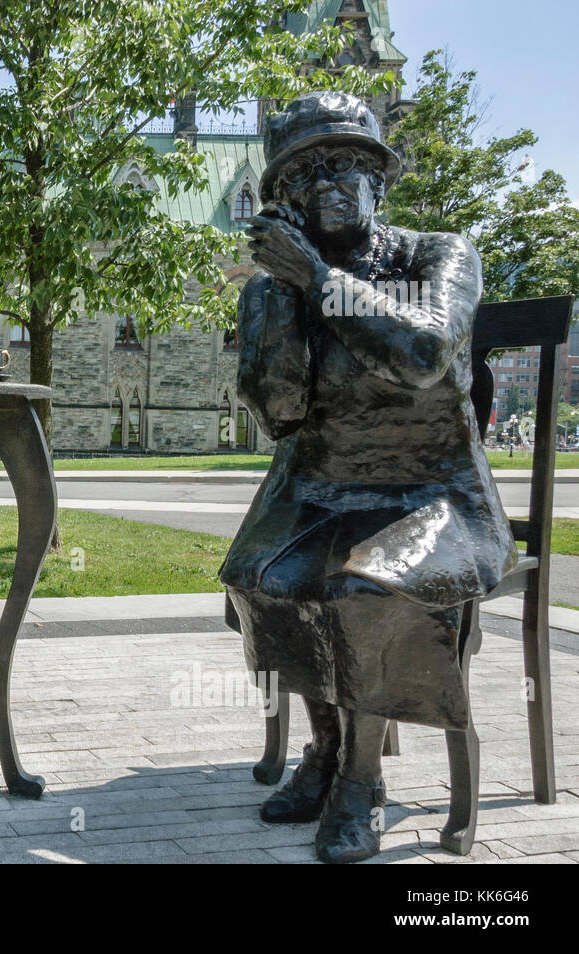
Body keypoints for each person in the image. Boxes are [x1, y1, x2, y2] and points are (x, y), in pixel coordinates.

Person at [219, 92, 515, 863]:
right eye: (307, 173)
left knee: (363, 588)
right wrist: (281, 298)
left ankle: (359, 783)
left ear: (380, 182)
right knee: (261, 577)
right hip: (320, 491)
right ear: (283, 203)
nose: (328, 182)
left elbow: (421, 354)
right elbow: (280, 411)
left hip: (435, 496)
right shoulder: (275, 286)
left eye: (348, 163)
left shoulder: (438, 255)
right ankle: (321, 750)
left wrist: (316, 278)